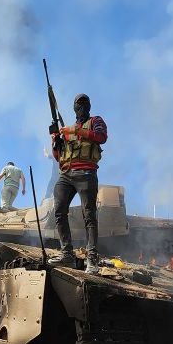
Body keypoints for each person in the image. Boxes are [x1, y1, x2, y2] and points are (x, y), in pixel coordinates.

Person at [47, 93, 107, 274]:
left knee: (89, 215)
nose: (81, 107)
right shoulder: (68, 131)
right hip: (66, 175)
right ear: (74, 107)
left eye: (84, 104)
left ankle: (92, 258)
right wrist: (55, 141)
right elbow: (60, 157)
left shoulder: (95, 121)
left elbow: (101, 137)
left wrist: (75, 131)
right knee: (59, 211)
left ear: (89, 106)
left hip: (86, 173)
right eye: (78, 104)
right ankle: (67, 254)